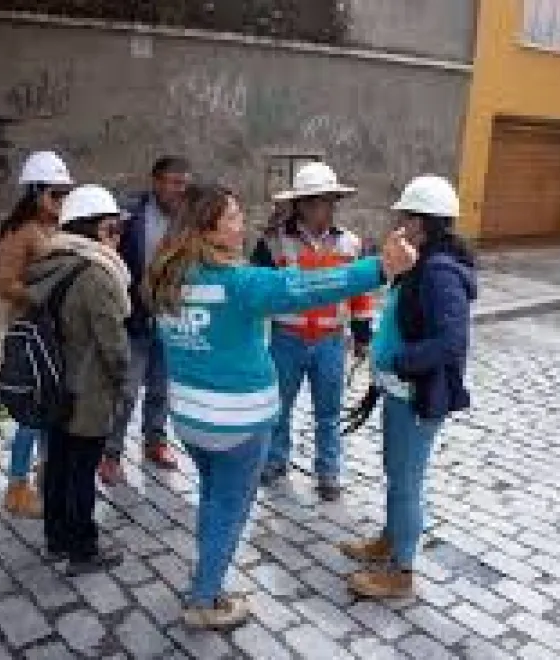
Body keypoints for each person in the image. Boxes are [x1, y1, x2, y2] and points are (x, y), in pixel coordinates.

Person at [145, 183, 416, 628]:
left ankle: (206, 577)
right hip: (238, 423)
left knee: (214, 501)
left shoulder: (167, 277)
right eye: (232, 217)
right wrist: (381, 268)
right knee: (229, 510)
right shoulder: (241, 283)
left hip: (190, 419)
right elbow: (307, 286)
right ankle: (206, 599)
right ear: (208, 227)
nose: (241, 225)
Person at [339, 175, 476, 598]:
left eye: (404, 215)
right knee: (395, 472)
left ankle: (402, 572)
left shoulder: (439, 272)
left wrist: (399, 361)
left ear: (421, 222)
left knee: (407, 481)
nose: (397, 221)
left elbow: (451, 341)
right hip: (398, 391)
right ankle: (389, 539)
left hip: (416, 395)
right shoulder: (420, 261)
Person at [250, 162, 376, 502]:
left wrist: (363, 337)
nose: (330, 207)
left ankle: (328, 471)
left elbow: (360, 293)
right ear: (302, 204)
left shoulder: (350, 243)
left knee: (329, 413)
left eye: (333, 200)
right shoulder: (273, 242)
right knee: (278, 407)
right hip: (286, 339)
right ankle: (275, 461)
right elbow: (255, 286)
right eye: (323, 200)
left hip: (330, 342)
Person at [24, 184, 131, 574]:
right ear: (97, 229)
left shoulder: (50, 263)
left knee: (57, 463)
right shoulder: (96, 274)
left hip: (52, 382)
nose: (119, 237)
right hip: (88, 389)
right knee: (81, 469)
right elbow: (113, 344)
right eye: (114, 228)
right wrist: (121, 382)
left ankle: (56, 538)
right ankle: (83, 547)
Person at [101, 156, 193, 485]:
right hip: (134, 316)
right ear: (156, 181)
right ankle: (110, 453)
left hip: (171, 316)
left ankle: (155, 441)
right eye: (173, 182)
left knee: (162, 388)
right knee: (125, 390)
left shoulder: (188, 218)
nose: (178, 190)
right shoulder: (130, 212)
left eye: (184, 184)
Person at [0, 150, 74, 517]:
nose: (61, 201)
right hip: (29, 333)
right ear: (35, 192)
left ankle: (46, 477)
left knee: (53, 406)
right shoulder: (21, 232)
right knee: (30, 413)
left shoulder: (56, 228)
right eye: (55, 194)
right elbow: (4, 283)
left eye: (65, 194)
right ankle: (16, 488)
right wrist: (40, 297)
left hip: (54, 332)